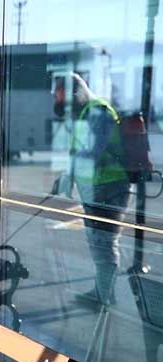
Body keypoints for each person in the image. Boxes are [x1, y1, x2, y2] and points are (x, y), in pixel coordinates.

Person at [70, 73, 130, 304]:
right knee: (98, 242)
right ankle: (102, 293)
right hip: (99, 187)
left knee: (104, 242)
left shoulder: (99, 111)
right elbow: (81, 150)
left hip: (111, 187)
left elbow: (93, 151)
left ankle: (105, 297)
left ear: (78, 92)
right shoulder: (88, 112)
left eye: (66, 97)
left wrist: (73, 169)